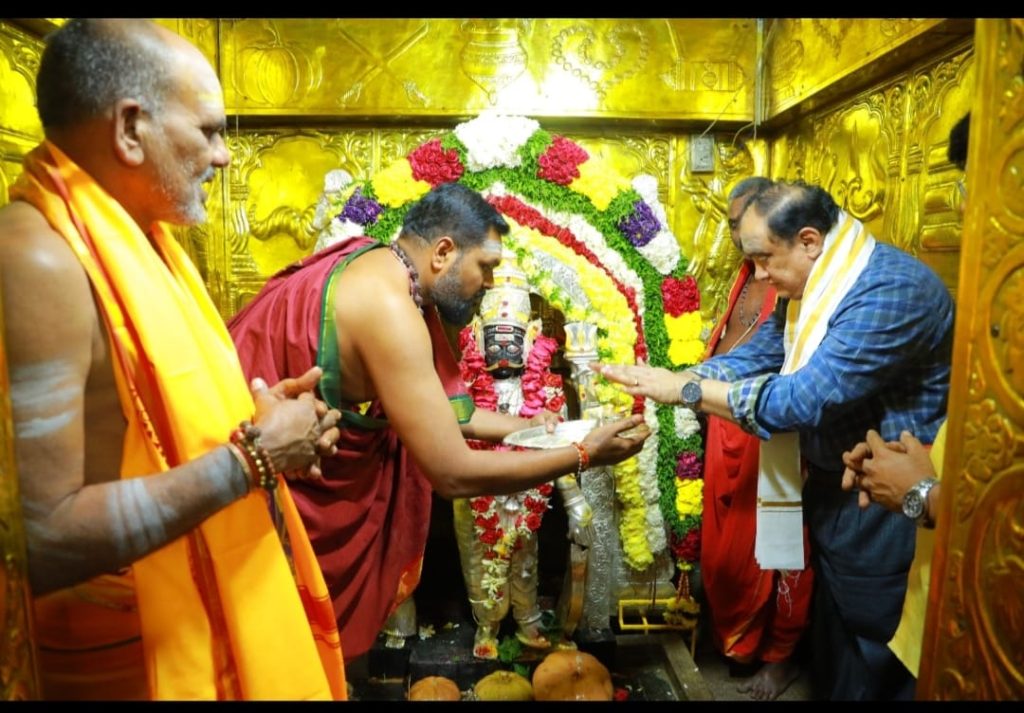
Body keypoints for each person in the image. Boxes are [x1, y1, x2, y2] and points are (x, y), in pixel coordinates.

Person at [0, 19, 348, 700]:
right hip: (122, 660)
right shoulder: (38, 257)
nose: (224, 157)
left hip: (174, 621)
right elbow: (46, 538)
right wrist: (252, 461)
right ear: (131, 129)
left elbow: (141, 428)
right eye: (210, 131)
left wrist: (264, 423)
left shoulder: (143, 240)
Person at [227, 181, 648, 663]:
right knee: (271, 649)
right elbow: (452, 473)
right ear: (443, 252)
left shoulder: (382, 268)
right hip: (251, 478)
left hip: (269, 460)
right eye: (485, 266)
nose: (489, 283)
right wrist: (584, 454)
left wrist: (534, 425)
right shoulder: (390, 310)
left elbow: (447, 415)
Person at [594, 180, 954, 700]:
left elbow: (801, 400)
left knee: (879, 643)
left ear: (809, 241)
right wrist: (678, 377)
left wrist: (687, 390)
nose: (759, 275)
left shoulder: (890, 291)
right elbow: (763, 353)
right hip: (832, 483)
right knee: (836, 638)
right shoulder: (818, 281)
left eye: (764, 259)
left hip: (884, 502)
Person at [840, 111, 970, 686]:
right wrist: (907, 468)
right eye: (965, 189)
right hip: (936, 594)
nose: (967, 212)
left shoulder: (904, 287)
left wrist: (922, 494)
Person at [699, 176, 815, 701]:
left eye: (744, 225)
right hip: (722, 415)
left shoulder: (790, 277)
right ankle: (738, 642)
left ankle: (780, 655)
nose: (735, 237)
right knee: (725, 543)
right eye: (730, 225)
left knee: (777, 540)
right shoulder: (748, 272)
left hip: (768, 420)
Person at [452, 254, 593, 659]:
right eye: (494, 340)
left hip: (526, 488)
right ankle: (488, 624)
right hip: (475, 486)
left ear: (531, 338)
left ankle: (527, 618)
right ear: (477, 337)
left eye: (512, 340)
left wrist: (574, 500)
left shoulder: (545, 391)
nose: (502, 349)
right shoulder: (461, 385)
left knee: (525, 554)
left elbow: (560, 446)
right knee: (478, 558)